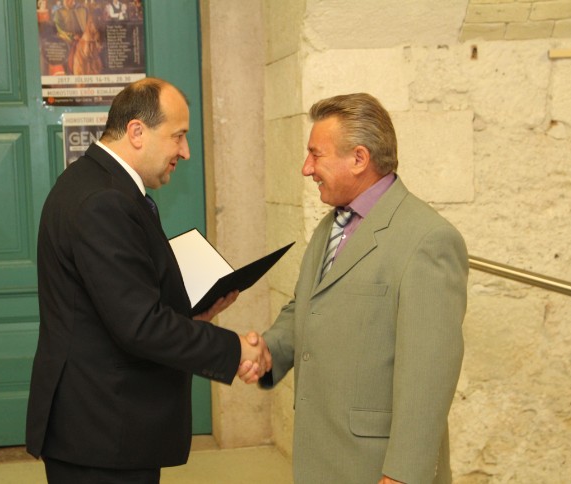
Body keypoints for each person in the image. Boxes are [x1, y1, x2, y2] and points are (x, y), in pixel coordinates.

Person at [26, 77, 269, 483]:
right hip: (102, 432)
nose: (185, 152)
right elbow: (138, 325)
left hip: (103, 426)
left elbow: (114, 305)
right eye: (178, 136)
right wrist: (235, 348)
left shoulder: (98, 183)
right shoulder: (103, 201)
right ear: (137, 132)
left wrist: (192, 318)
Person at [248, 93, 468, 483]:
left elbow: (429, 376)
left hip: (377, 467)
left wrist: (402, 474)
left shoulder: (429, 239)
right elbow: (309, 306)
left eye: (316, 155)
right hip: (322, 457)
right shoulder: (332, 224)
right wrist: (269, 351)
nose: (306, 168)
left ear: (359, 159)